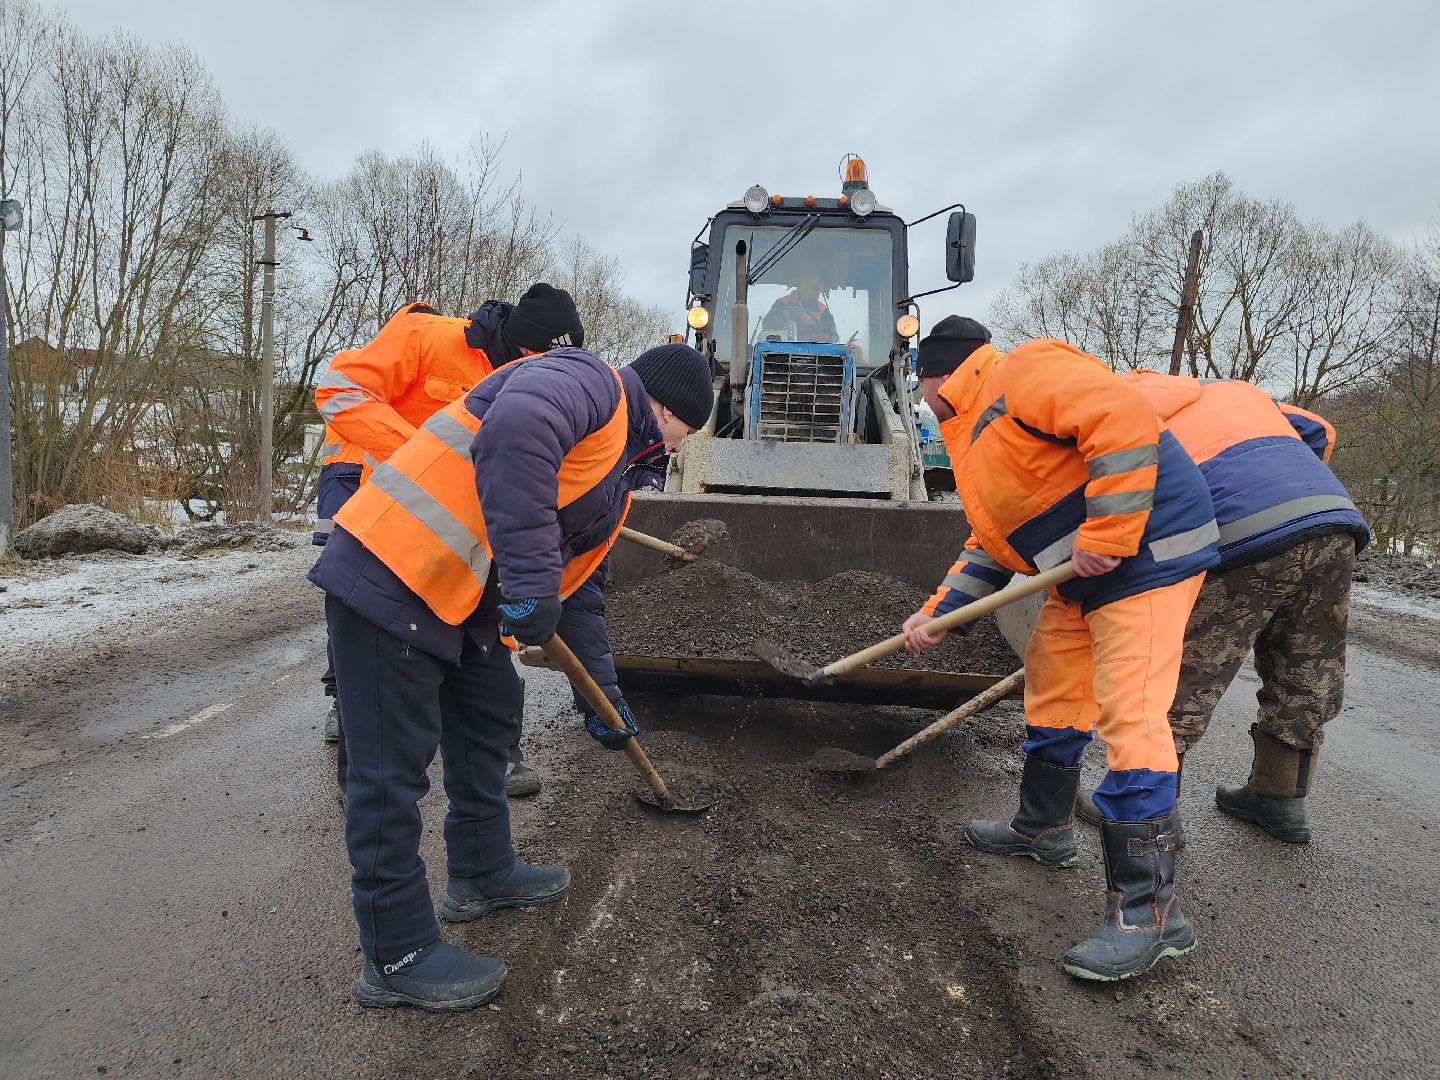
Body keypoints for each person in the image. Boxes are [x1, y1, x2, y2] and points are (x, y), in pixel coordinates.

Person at [308, 342, 714, 1012]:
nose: (676, 449)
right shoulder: (591, 383)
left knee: (492, 711)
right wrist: (527, 586)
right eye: (683, 433)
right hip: (390, 569)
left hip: (451, 594)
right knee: (390, 774)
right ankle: (396, 955)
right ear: (665, 409)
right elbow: (516, 429)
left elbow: (578, 595)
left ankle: (481, 873)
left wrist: (603, 701)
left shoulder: (612, 474)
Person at [900, 316, 1220, 982]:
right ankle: (1043, 829)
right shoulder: (972, 430)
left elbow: (1122, 417)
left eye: (916, 383)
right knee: (1053, 683)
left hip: (1147, 554)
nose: (916, 398)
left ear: (935, 376)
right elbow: (993, 542)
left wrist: (1107, 532)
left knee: (1131, 714)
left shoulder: (1023, 371)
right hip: (1084, 575)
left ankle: (1151, 914)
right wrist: (937, 616)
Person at [1072, 372, 1370, 844]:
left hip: (1244, 531)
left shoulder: (1120, 409)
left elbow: (1123, 507)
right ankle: (1278, 800)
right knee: (1307, 666)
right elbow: (1319, 432)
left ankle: (1147, 811)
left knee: (1182, 667)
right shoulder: (1237, 393)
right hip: (1333, 520)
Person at [313, 283, 585, 798]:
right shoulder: (426, 337)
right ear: (523, 345)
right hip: (392, 531)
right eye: (538, 360)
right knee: (378, 655)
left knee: (483, 649)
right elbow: (340, 388)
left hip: (467, 540)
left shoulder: (534, 385)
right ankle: (362, 760)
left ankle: (498, 755)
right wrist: (419, 454)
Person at [760, 267, 838, 344]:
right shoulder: (781, 304)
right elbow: (768, 329)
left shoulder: (823, 311)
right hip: (782, 352)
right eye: (814, 288)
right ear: (801, 284)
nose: (818, 293)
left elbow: (832, 337)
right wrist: (793, 307)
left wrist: (823, 337)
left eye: (819, 289)